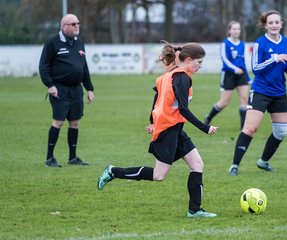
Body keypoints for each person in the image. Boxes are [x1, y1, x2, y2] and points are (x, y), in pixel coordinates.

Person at [97, 41, 219, 218]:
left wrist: (152, 120)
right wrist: (205, 128)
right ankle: (113, 171)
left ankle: (195, 210)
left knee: (197, 164)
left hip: (176, 129)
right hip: (168, 131)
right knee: (158, 175)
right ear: (189, 59)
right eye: (199, 62)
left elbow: (157, 97)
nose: (201, 66)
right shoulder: (182, 78)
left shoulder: (170, 74)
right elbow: (183, 109)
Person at [228, 10, 287, 176]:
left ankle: (263, 161)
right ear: (265, 25)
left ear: (281, 24)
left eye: (276, 22)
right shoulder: (260, 43)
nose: (274, 25)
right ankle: (235, 165)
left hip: (279, 92)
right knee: (250, 128)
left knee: (281, 132)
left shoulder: (285, 41)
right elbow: (256, 69)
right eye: (270, 22)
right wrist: (275, 58)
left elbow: (285, 61)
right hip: (261, 91)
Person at [39, 13, 94, 167]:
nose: (77, 26)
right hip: (59, 89)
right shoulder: (52, 43)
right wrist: (50, 85)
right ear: (64, 27)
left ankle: (73, 158)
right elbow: (43, 66)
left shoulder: (79, 43)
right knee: (58, 122)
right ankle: (49, 158)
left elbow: (84, 67)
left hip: (76, 90)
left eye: (78, 23)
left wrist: (89, 88)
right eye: (73, 24)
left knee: (75, 122)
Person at [204, 20, 250, 129]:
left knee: (244, 99)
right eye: (234, 29)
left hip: (241, 74)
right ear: (229, 31)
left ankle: (243, 129)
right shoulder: (225, 44)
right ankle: (209, 117)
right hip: (229, 74)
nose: (236, 31)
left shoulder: (242, 44)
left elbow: (243, 62)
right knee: (224, 102)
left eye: (238, 29)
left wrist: (247, 78)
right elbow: (224, 59)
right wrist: (234, 69)